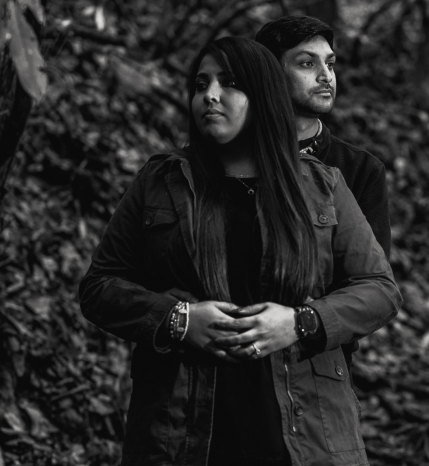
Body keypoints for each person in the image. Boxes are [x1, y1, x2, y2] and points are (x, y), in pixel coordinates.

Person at [79, 36, 401, 466]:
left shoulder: (323, 186)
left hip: (306, 433)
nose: (209, 96)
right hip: (181, 432)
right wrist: (180, 320)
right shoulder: (161, 180)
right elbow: (100, 286)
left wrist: (300, 323)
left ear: (263, 94)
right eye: (200, 84)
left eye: (228, 82)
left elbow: (379, 289)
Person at [256, 16, 392, 374]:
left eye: (330, 64)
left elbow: (370, 291)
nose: (325, 76)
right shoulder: (236, 157)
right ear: (269, 72)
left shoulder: (360, 170)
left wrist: (304, 321)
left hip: (316, 364)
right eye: (307, 63)